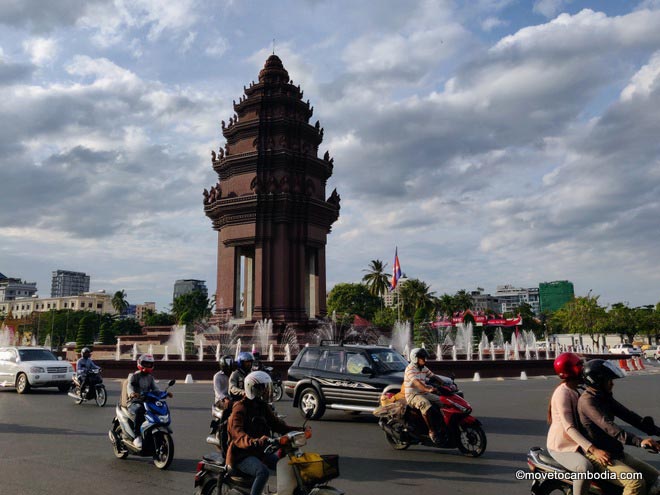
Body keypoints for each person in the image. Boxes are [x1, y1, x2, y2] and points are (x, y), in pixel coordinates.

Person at [578, 359, 660, 495]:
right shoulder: (588, 402)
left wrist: (656, 431)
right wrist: (640, 442)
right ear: (597, 381)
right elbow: (610, 428)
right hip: (600, 456)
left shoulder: (603, 397)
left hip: (616, 452)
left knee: (656, 479)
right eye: (608, 379)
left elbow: (630, 416)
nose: (612, 383)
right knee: (635, 482)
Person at [227, 371, 304, 495]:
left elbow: (277, 425)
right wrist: (255, 441)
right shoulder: (240, 408)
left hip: (260, 451)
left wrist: (300, 430)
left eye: (266, 388)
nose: (265, 391)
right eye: (262, 388)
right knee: (262, 472)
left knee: (285, 465)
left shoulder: (261, 405)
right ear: (252, 389)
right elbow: (238, 434)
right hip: (241, 454)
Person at [546, 353, 611, 495]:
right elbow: (569, 427)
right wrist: (593, 449)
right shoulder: (562, 393)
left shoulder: (577, 389)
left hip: (579, 442)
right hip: (563, 446)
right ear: (572, 371)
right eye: (579, 366)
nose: (583, 369)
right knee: (584, 468)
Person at [126, 354, 173, 450]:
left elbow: (156, 389)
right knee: (140, 411)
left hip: (146, 401)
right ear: (140, 363)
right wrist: (132, 394)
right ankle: (137, 436)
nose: (147, 366)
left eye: (149, 364)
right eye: (145, 363)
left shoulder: (150, 378)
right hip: (135, 401)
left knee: (157, 409)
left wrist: (165, 393)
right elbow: (129, 387)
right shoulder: (134, 376)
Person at [403, 347, 445, 444]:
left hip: (423, 393)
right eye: (422, 358)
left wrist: (445, 384)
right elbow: (417, 383)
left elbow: (433, 376)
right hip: (412, 395)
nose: (424, 360)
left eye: (424, 358)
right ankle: (432, 431)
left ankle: (441, 425)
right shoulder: (410, 369)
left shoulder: (423, 368)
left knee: (442, 401)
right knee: (426, 405)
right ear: (415, 358)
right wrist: (428, 389)